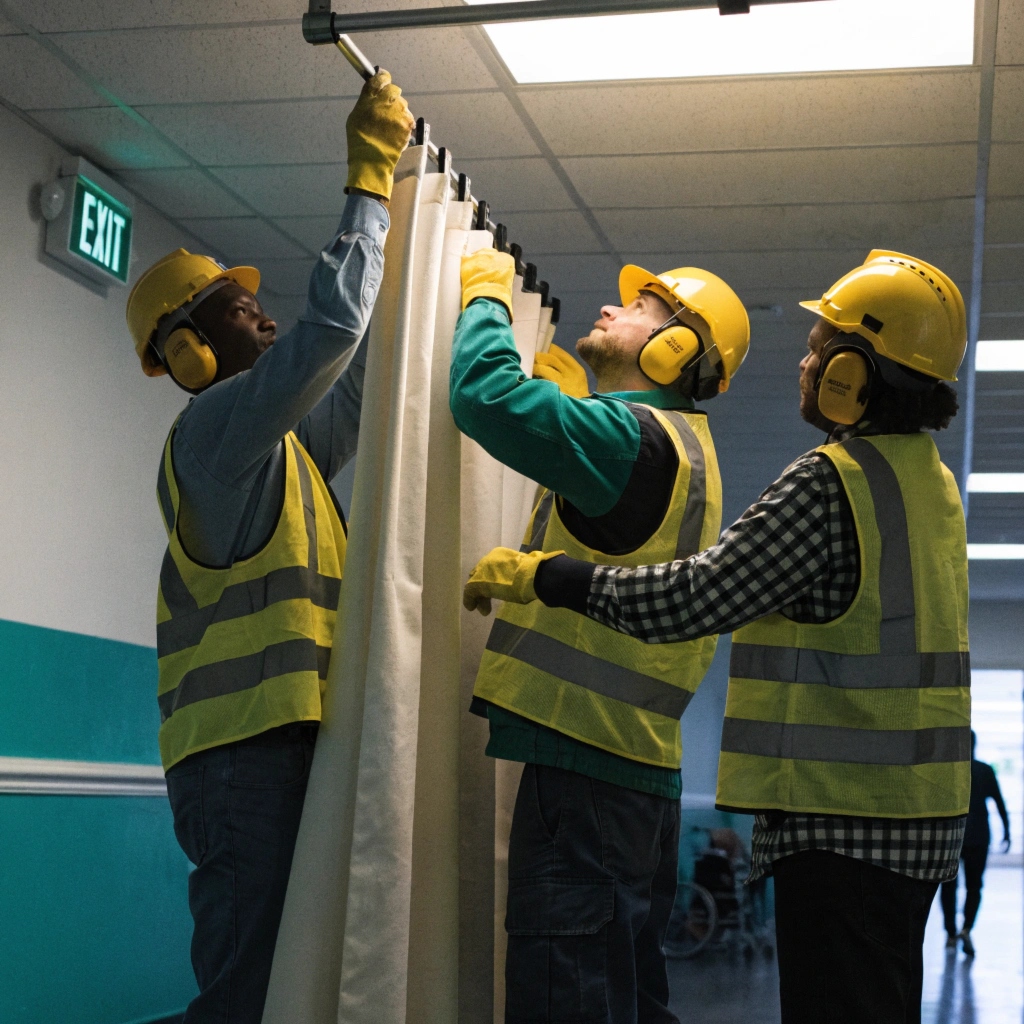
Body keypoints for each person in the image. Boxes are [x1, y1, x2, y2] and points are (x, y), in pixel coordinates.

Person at [464, 250, 972, 1024]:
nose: (806, 365)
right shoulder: (929, 483)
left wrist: (551, 577)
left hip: (842, 824)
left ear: (854, 374)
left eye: (820, 349)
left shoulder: (833, 480)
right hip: (917, 818)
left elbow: (699, 597)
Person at [124, 72, 413, 1024]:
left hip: (276, 750)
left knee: (276, 991)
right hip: (240, 761)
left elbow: (359, 382)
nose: (267, 315)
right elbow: (327, 331)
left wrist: (414, 258)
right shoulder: (212, 436)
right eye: (239, 308)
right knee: (248, 998)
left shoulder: (283, 451)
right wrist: (367, 183)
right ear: (190, 349)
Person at [451, 250, 750, 1023]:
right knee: (625, 995)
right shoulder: (685, 450)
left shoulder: (630, 440)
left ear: (675, 348)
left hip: (585, 775)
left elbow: (482, 396)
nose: (612, 309)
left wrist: (484, 301)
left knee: (568, 997)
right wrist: (573, 405)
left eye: (640, 307)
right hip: (637, 775)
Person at [941, 729, 1011, 956]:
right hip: (979, 836)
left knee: (948, 885)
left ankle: (950, 933)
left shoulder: (950, 772)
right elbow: (999, 803)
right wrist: (1007, 832)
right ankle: (966, 928)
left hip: (953, 836)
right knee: (974, 886)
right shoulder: (985, 770)